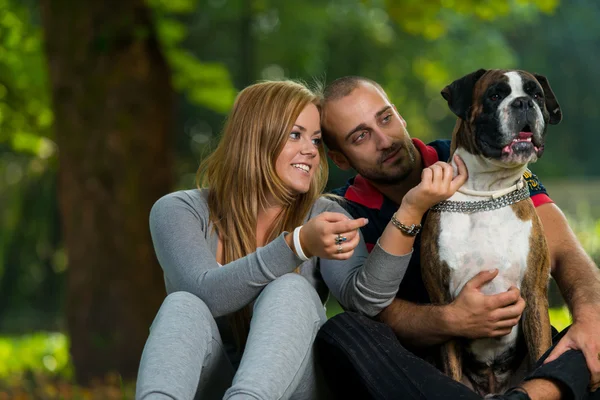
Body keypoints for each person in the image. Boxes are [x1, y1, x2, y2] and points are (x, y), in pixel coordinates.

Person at [135, 80, 465, 400]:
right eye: (296, 135)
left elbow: (365, 301)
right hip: (213, 382)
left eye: (316, 140)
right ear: (255, 138)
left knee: (291, 289)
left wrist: (409, 210)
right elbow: (206, 293)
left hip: (298, 387)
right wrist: (295, 246)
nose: (310, 151)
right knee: (183, 304)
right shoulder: (179, 210)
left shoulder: (324, 213)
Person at [315, 76, 600, 400]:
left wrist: (591, 318)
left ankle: (534, 392)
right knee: (343, 332)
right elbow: (372, 311)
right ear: (339, 158)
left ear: (399, 115)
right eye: (361, 136)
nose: (384, 140)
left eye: (385, 118)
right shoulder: (341, 212)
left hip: (521, 361)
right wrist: (452, 320)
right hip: (426, 375)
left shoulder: (480, 157)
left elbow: (563, 248)